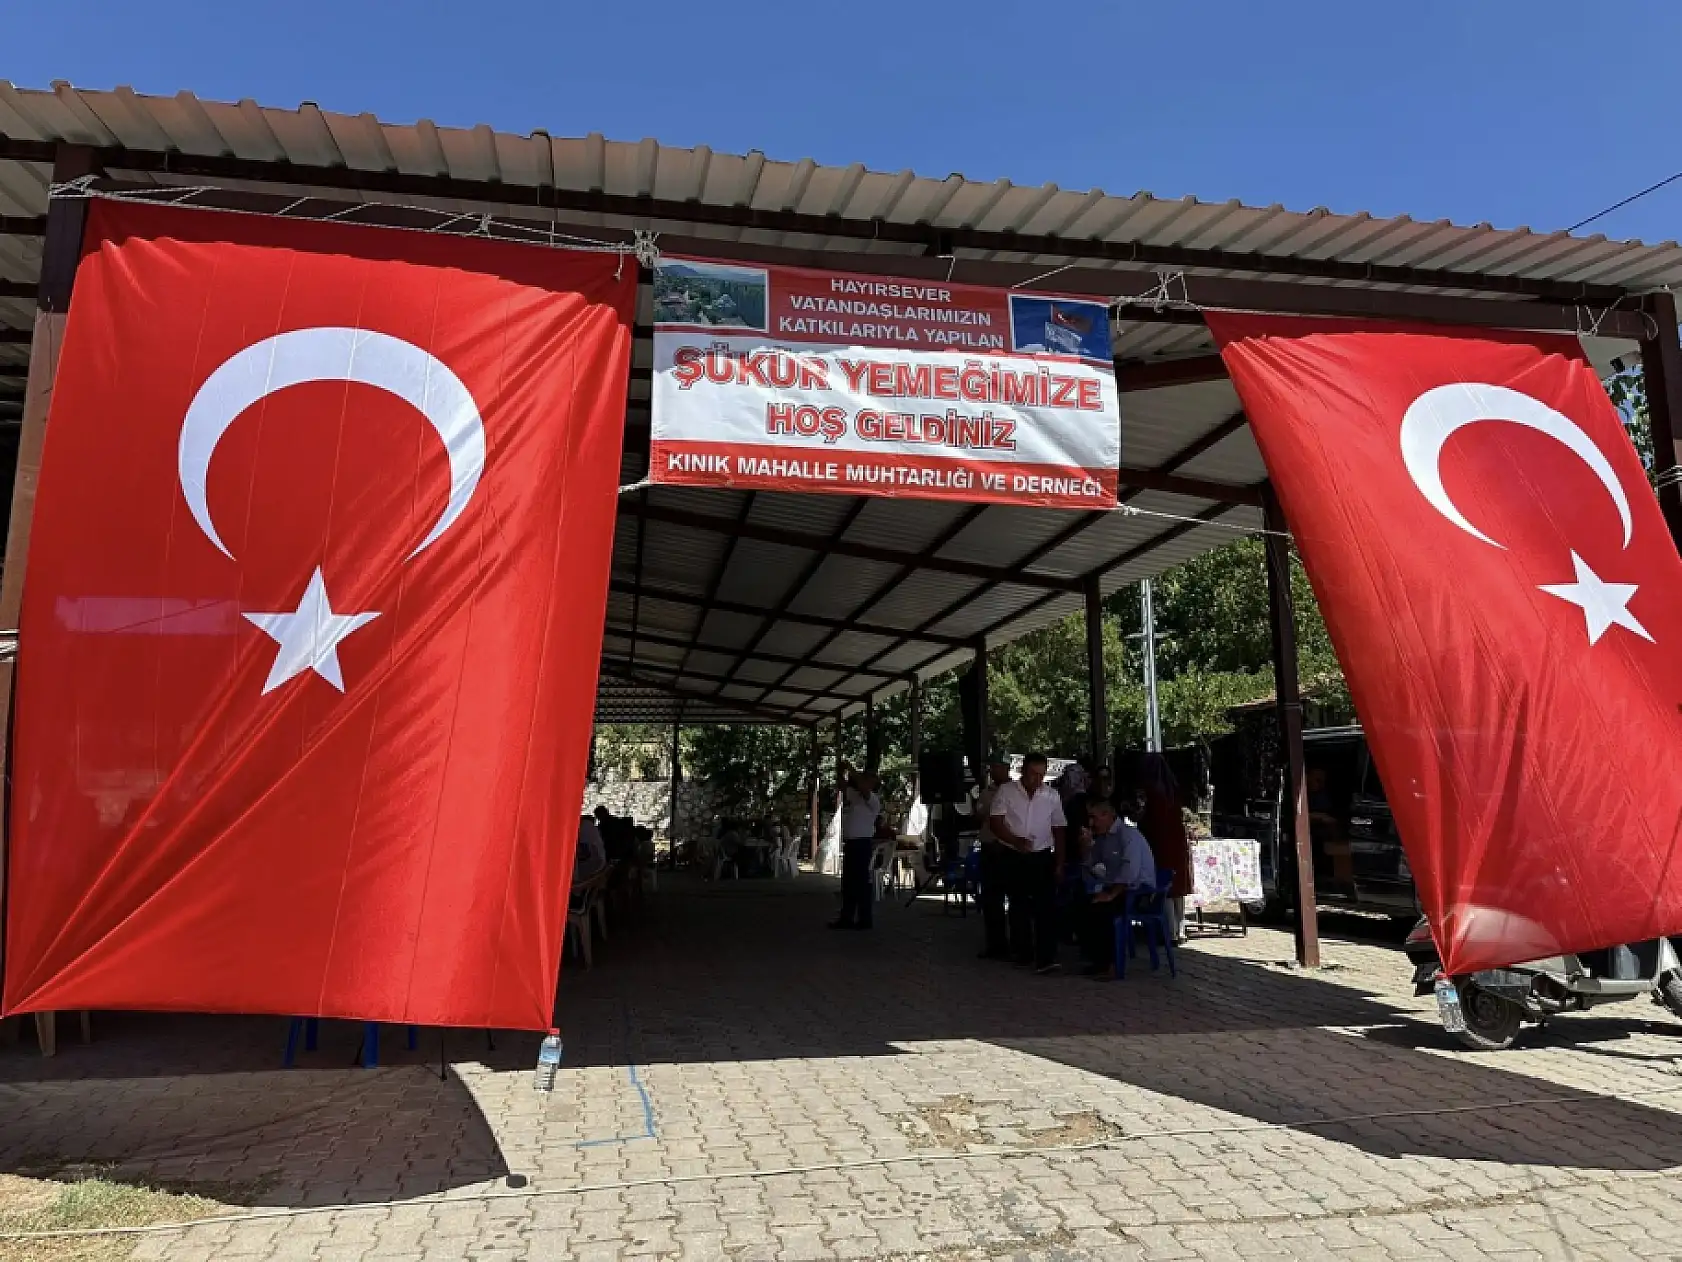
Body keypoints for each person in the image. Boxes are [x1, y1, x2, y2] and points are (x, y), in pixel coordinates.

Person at [988, 751, 1067, 974]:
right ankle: (1023, 952)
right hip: (1014, 853)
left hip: (1042, 855)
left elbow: (1060, 829)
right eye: (1033, 774)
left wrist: (1060, 861)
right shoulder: (1007, 791)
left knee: (1046, 906)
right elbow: (996, 822)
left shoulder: (1052, 795)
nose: (1037, 779)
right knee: (1018, 904)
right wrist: (1014, 840)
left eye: (1041, 775)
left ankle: (1046, 957)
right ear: (1023, 770)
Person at [1078, 797, 1157, 975]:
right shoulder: (1103, 839)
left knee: (1104, 911)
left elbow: (1130, 872)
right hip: (1118, 888)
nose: (1091, 823)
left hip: (1139, 892)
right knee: (1082, 904)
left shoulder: (1128, 836)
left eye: (1094, 817)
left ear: (1107, 816)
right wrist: (1085, 848)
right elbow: (1090, 866)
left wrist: (1111, 894)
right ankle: (1098, 961)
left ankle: (1113, 965)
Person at [1136, 753, 1191, 943]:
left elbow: (1147, 821)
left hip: (1160, 842)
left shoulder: (1151, 791)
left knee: (1165, 885)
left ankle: (1171, 931)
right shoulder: (1173, 789)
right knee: (1178, 887)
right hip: (1178, 841)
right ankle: (1181, 929)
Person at [830, 762, 882, 930]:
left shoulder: (873, 800)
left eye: (868, 779)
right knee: (849, 883)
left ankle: (865, 919)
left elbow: (863, 786)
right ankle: (847, 917)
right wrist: (840, 772)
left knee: (861, 883)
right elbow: (843, 787)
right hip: (852, 844)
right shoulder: (856, 797)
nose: (864, 781)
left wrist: (851, 768)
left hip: (862, 844)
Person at [974, 755, 1013, 960]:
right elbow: (980, 813)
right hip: (989, 847)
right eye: (990, 767)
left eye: (995, 767)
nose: (992, 771)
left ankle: (1016, 944)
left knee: (1015, 898)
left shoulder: (1015, 791)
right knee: (990, 899)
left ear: (1005, 768)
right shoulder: (986, 792)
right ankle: (995, 944)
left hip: (1008, 849)